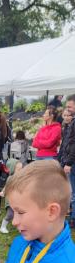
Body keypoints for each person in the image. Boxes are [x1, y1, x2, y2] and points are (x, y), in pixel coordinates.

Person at [58, 97, 75, 228]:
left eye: (70, 107)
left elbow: (74, 144)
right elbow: (66, 144)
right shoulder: (70, 124)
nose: (68, 109)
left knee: (73, 193)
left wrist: (68, 162)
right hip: (66, 160)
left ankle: (73, 219)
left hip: (72, 163)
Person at [0, 160, 23, 234]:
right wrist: (3, 192)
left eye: (21, 169)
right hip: (11, 200)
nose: (20, 170)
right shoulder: (11, 178)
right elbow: (6, 186)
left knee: (20, 214)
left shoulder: (21, 177)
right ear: (13, 169)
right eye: (18, 169)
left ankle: (20, 227)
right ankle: (2, 227)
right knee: (10, 214)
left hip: (18, 200)